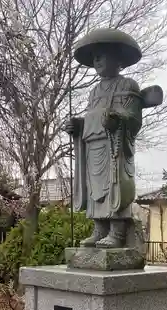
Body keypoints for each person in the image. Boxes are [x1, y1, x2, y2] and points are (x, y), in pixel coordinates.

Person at [65, 28, 143, 248]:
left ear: (117, 58)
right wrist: (77, 125)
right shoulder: (94, 91)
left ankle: (117, 232)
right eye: (94, 57)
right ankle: (99, 229)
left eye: (102, 55)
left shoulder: (127, 85)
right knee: (94, 188)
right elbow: (91, 117)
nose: (97, 60)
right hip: (92, 144)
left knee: (114, 184)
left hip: (114, 145)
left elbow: (133, 117)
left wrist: (118, 118)